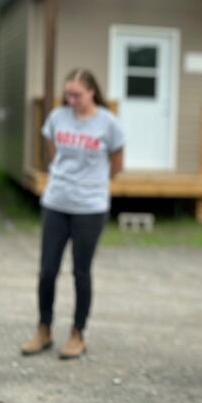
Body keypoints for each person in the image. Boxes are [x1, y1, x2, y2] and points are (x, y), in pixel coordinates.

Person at [20, 69, 125, 360]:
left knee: (81, 272)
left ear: (92, 92)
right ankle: (44, 329)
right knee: (47, 271)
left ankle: (78, 334)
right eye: (68, 93)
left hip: (90, 208)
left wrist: (93, 183)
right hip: (56, 203)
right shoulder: (57, 118)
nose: (72, 99)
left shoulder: (108, 124)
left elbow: (117, 164)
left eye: (77, 94)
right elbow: (52, 153)